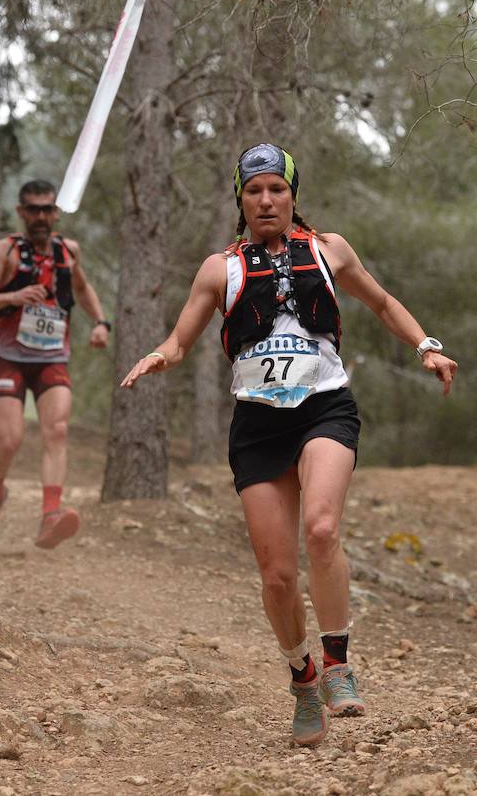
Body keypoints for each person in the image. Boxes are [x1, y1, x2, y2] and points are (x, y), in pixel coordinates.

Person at [121, 143, 457, 747]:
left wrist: (425, 345)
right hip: (258, 425)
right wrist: (158, 357)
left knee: (322, 529)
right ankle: (303, 680)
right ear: (240, 200)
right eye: (254, 191)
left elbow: (380, 302)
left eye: (277, 188)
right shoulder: (217, 269)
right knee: (277, 575)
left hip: (325, 407)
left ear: (293, 194)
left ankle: (339, 664)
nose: (266, 200)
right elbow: (180, 339)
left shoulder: (329, 250)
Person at [0, 179, 109, 550]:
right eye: (33, 209)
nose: (41, 217)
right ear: (21, 212)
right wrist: (14, 295)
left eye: (47, 209)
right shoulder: (7, 250)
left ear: (56, 212)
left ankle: (50, 515)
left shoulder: (68, 251)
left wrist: (99, 322)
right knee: (10, 439)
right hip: (8, 358)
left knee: (57, 430)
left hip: (51, 357)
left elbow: (82, 289)